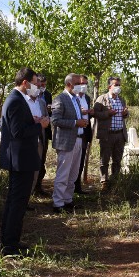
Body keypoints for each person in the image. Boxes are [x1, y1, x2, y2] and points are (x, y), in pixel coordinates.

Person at [0, 67, 50, 256]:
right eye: (35, 83)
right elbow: (18, 132)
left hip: (23, 157)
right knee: (17, 202)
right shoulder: (15, 101)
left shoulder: (18, 100)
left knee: (16, 201)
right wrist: (40, 125)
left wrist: (34, 121)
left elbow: (20, 125)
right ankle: (9, 245)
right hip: (19, 159)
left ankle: (9, 240)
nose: (37, 86)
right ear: (25, 83)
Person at [51, 74, 89, 213]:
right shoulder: (60, 99)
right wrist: (75, 123)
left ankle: (68, 200)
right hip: (66, 142)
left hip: (78, 139)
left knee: (73, 174)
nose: (80, 85)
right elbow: (55, 120)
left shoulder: (76, 99)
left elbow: (77, 118)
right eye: (77, 83)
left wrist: (81, 122)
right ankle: (58, 203)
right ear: (69, 84)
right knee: (63, 174)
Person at [93, 76, 129, 191]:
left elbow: (125, 115)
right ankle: (104, 181)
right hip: (107, 134)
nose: (118, 87)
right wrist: (107, 113)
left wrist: (125, 114)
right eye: (116, 85)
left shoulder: (121, 100)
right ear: (109, 86)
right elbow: (95, 113)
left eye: (119, 85)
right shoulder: (101, 99)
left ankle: (115, 181)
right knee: (104, 160)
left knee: (117, 160)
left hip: (120, 134)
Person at [74, 75, 94, 194]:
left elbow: (87, 114)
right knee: (73, 161)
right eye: (82, 83)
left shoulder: (86, 97)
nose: (84, 86)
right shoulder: (72, 98)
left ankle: (78, 186)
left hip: (85, 133)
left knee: (80, 160)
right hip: (74, 133)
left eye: (86, 84)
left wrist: (90, 113)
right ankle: (71, 186)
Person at [35, 73, 52, 196]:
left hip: (45, 131)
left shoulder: (47, 95)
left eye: (45, 85)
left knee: (42, 158)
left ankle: (38, 185)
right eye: (41, 84)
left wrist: (49, 110)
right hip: (34, 130)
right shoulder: (33, 95)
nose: (43, 87)